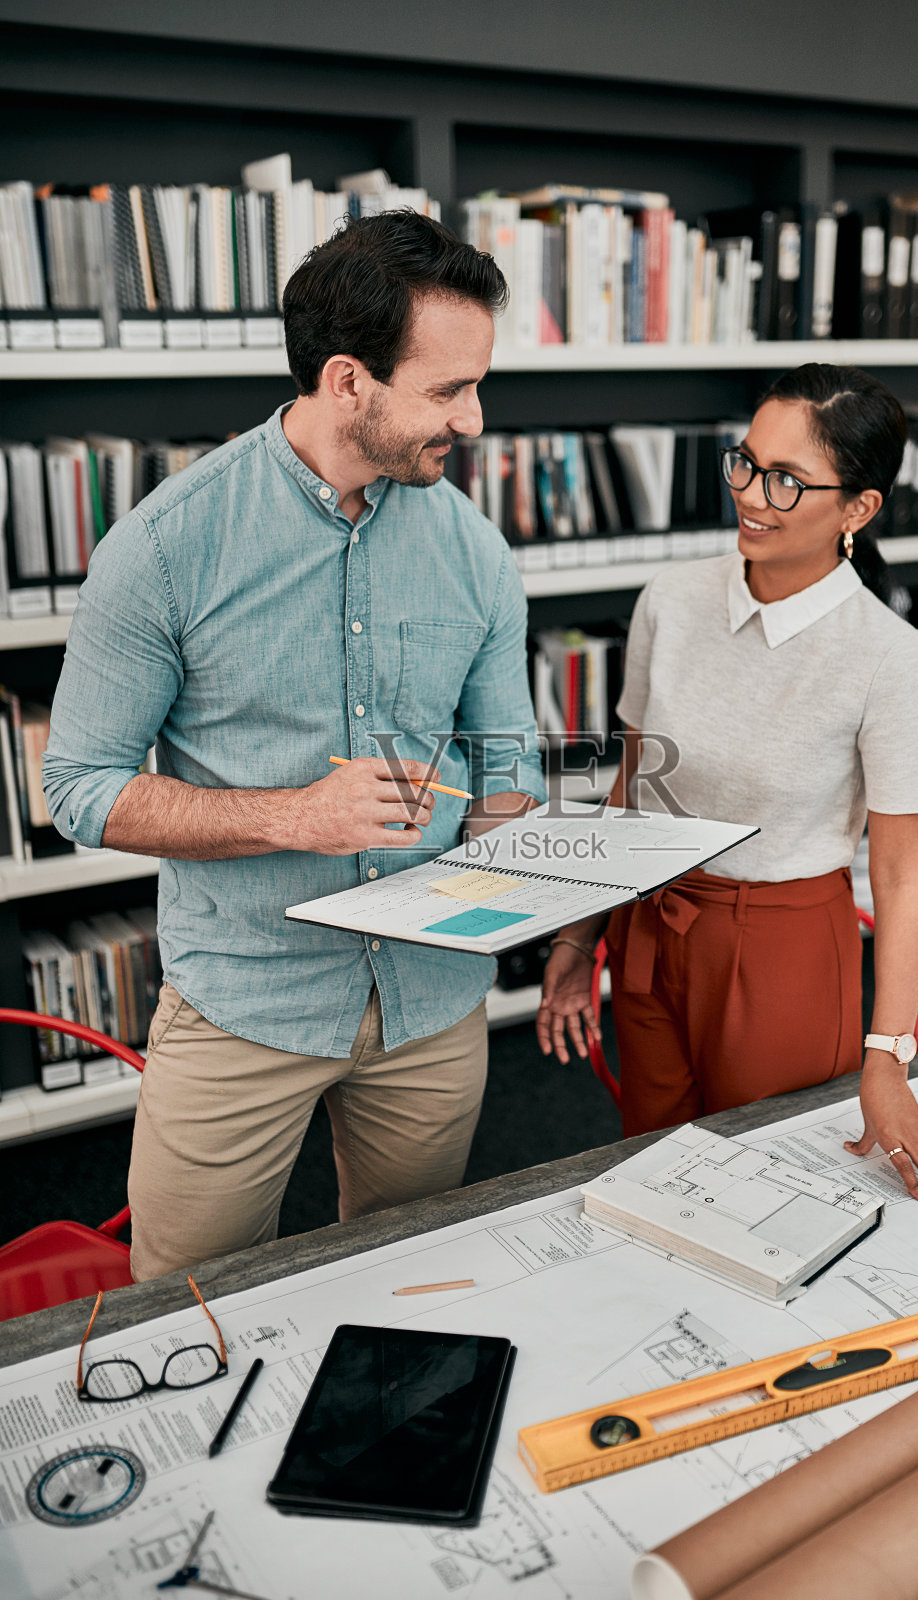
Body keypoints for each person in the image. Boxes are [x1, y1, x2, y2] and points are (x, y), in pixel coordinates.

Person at [42, 212, 546, 1280]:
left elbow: (508, 769)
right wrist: (292, 817)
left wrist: (547, 852)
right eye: (448, 389)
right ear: (349, 379)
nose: (476, 415)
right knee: (186, 1309)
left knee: (412, 1286)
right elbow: (79, 790)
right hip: (244, 1003)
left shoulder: (477, 553)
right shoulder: (167, 548)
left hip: (432, 1001)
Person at [537, 363, 918, 1208]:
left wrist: (888, 1056)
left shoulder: (890, 657)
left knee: (772, 1193)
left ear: (858, 510)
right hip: (651, 924)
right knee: (653, 1178)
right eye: (746, 463)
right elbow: (634, 789)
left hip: (780, 952)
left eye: (787, 481)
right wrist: (580, 939)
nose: (752, 495)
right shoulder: (672, 597)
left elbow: (905, 877)